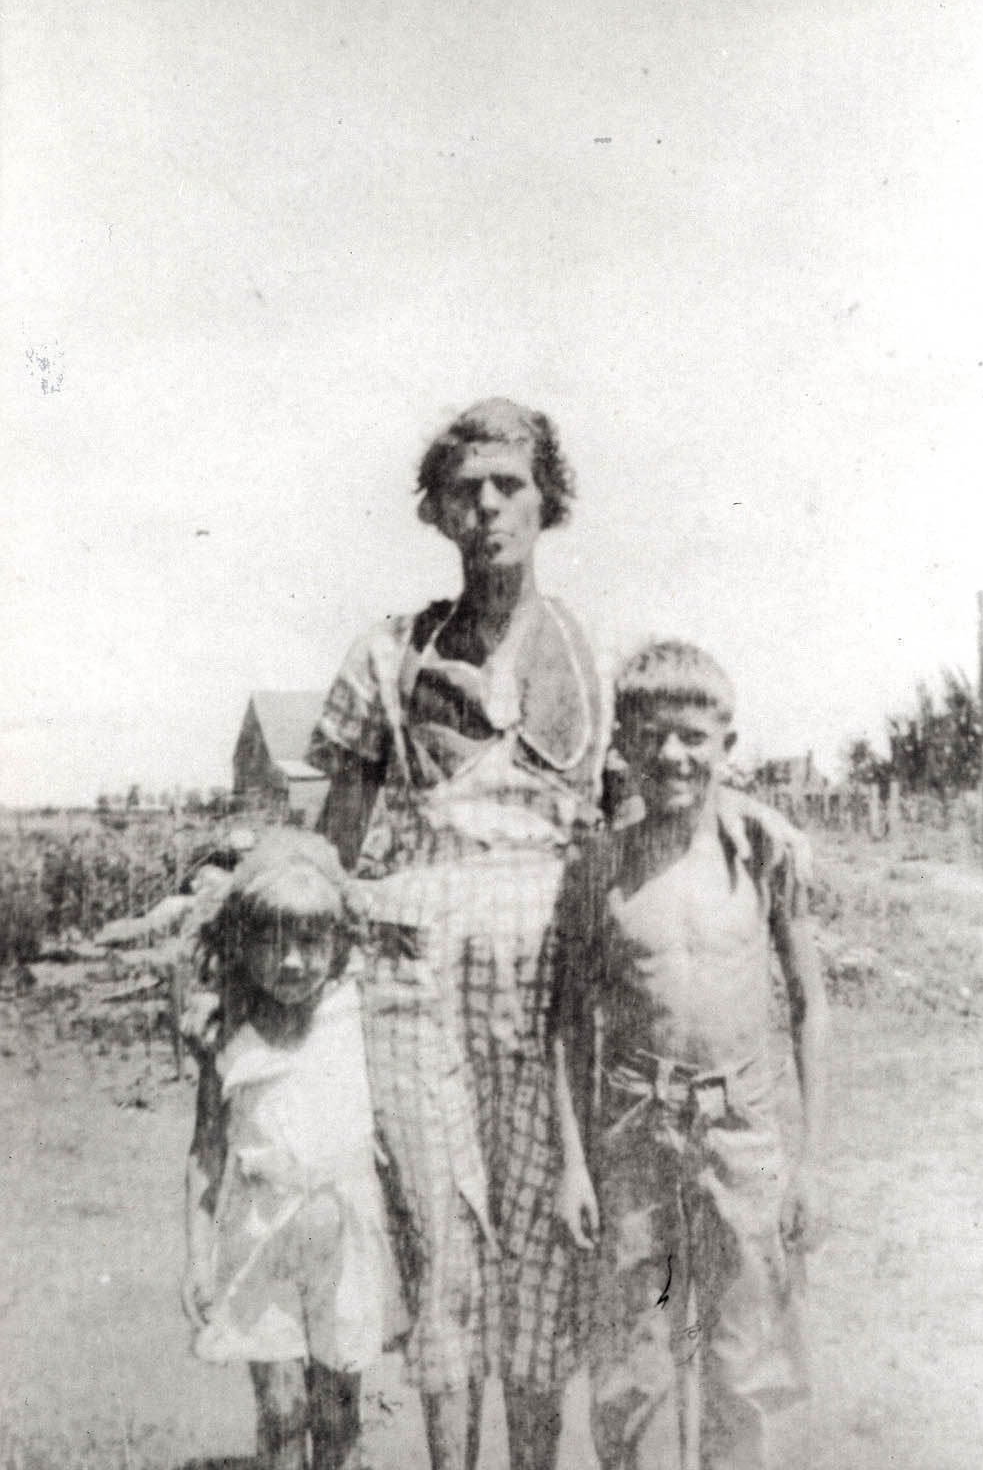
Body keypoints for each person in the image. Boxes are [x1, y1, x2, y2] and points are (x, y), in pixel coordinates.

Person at [306, 398, 604, 1470]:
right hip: (414, 982)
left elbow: (644, 824)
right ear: (435, 509)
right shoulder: (387, 656)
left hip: (544, 993)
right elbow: (329, 846)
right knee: (441, 1242)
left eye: (508, 485)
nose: (486, 506)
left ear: (545, 499)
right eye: (464, 489)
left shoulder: (594, 660)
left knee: (539, 1244)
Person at [551, 640, 830, 1470]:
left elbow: (813, 1007)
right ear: (623, 746)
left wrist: (809, 1162)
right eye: (651, 736)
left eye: (693, 737)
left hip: (741, 1134)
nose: (672, 754)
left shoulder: (763, 859)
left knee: (745, 1361)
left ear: (725, 747)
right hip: (635, 1135)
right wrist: (574, 1163)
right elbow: (568, 1024)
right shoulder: (599, 871)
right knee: (635, 1368)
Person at [181, 830, 402, 1470]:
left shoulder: (358, 1015)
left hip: (345, 1237)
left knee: (337, 1411)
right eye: (272, 942)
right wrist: (197, 1256)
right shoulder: (228, 1036)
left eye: (312, 942)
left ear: (338, 946)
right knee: (281, 1411)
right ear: (241, 943)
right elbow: (205, 1153)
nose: (294, 962)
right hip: (259, 1238)